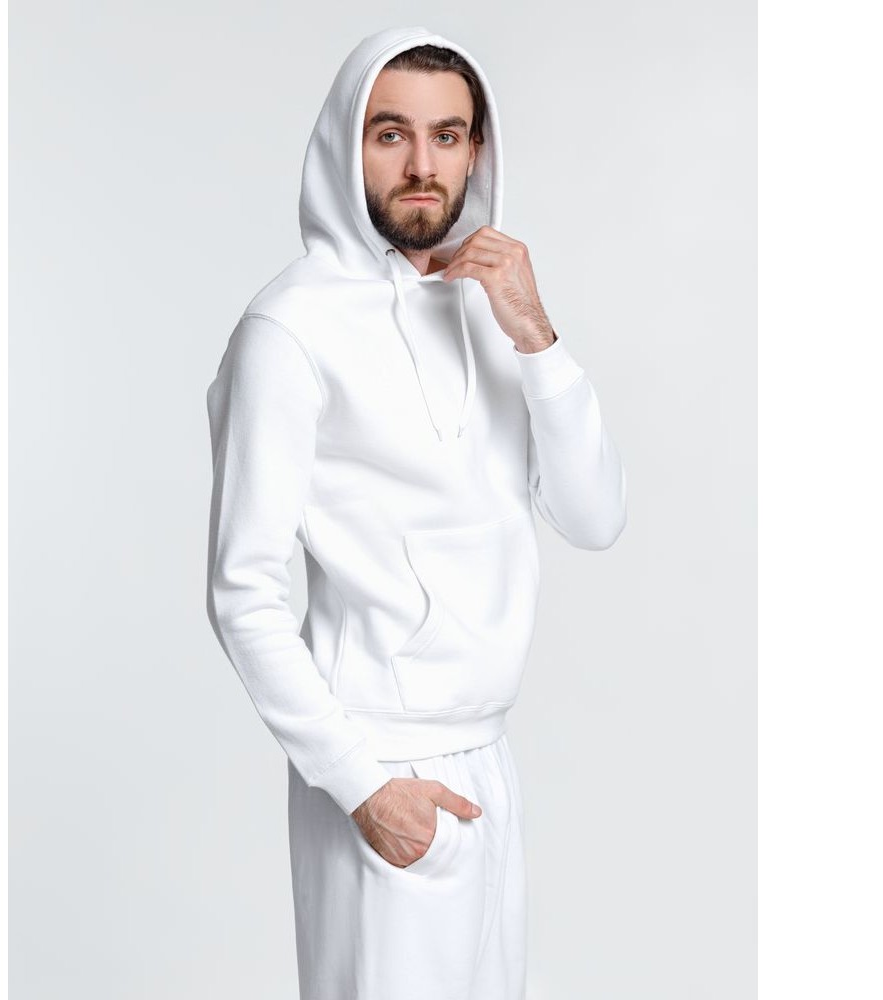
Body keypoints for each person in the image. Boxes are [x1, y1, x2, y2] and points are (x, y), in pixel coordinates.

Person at [205, 25, 627, 1000]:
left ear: (477, 149)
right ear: (345, 143)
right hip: (380, 760)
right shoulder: (290, 329)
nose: (423, 166)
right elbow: (242, 591)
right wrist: (362, 786)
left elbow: (594, 515)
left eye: (448, 135)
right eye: (390, 134)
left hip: (489, 754)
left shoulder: (492, 306)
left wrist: (535, 334)